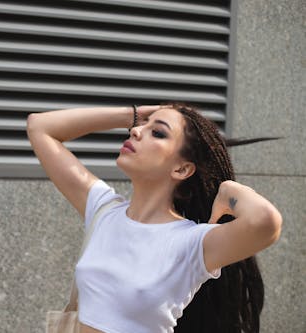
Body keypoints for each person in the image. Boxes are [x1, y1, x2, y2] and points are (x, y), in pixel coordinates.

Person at [26, 103, 282, 333]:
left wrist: (231, 191)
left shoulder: (191, 242)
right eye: (141, 127)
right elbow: (39, 127)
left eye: (157, 132)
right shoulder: (103, 209)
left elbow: (265, 222)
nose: (136, 131)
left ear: (181, 169)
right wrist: (132, 115)